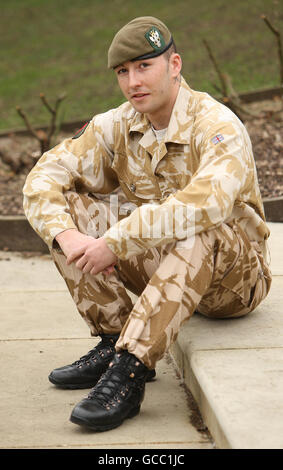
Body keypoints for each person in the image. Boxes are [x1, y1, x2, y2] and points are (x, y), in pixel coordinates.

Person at [23, 16, 272, 432]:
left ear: (174, 65)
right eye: (123, 71)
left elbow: (205, 204)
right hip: (169, 266)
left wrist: (116, 241)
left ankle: (131, 370)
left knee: (198, 226)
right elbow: (44, 176)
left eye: (144, 66)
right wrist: (67, 235)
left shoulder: (216, 125)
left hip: (234, 282)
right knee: (66, 206)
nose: (133, 81)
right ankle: (114, 337)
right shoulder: (116, 126)